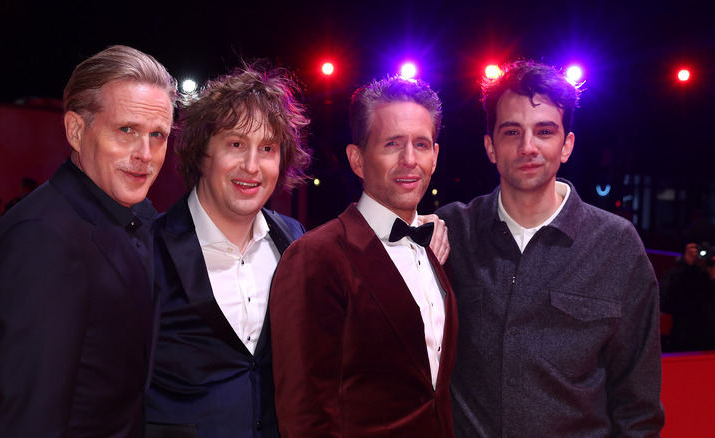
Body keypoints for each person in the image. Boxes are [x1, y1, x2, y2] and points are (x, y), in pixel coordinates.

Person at [0, 44, 177, 437]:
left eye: (158, 135)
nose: (146, 154)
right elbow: (26, 420)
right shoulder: (42, 239)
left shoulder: (131, 217)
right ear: (75, 130)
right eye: (127, 130)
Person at [436, 60, 665, 436]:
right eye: (512, 132)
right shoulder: (450, 232)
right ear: (490, 147)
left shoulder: (617, 245)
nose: (528, 147)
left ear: (566, 145)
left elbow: (637, 408)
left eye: (544, 131)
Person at [270, 76, 458, 437]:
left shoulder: (435, 247)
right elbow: (305, 417)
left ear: (434, 157)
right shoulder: (315, 257)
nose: (409, 160)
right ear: (357, 159)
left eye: (421, 144)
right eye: (392, 144)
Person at [144, 63, 311, 438]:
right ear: (202, 152)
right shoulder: (148, 247)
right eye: (236, 144)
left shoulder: (296, 242)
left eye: (267, 148)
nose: (252, 166)